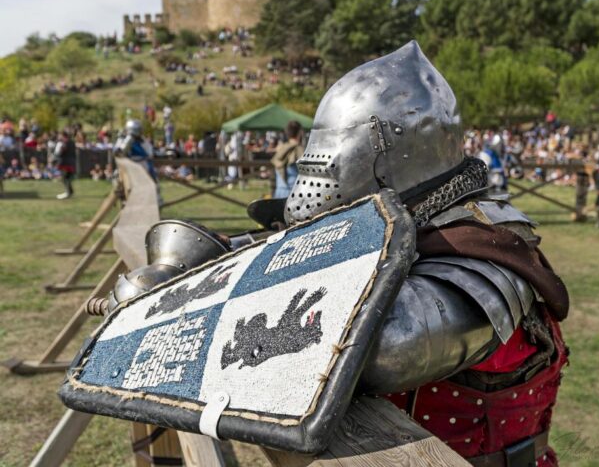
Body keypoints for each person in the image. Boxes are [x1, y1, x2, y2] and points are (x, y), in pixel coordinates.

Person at [111, 42, 570, 466]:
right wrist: (181, 275)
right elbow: (287, 247)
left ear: (391, 156)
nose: (311, 182)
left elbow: (383, 345)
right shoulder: (395, 223)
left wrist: (192, 303)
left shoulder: (485, 248)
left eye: (327, 162)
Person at [271, 120, 304, 199]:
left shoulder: (280, 149)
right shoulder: (300, 150)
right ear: (299, 132)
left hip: (279, 192)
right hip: (295, 193)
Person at [52, 130, 77, 199]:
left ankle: (68, 192)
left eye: (60, 135)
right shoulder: (71, 142)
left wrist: (57, 153)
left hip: (66, 163)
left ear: (63, 136)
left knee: (65, 178)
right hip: (70, 162)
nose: (58, 137)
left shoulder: (64, 143)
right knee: (66, 178)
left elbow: (61, 152)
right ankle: (70, 192)